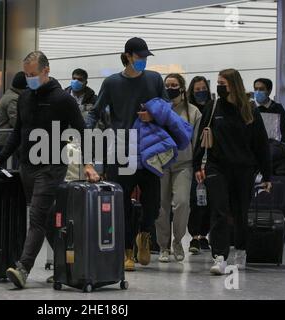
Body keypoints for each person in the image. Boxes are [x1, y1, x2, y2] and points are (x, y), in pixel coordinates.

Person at [0, 51, 99, 289]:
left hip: (51, 167)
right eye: (26, 75)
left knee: (36, 218)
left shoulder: (63, 100)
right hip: (27, 166)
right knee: (47, 221)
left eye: (33, 74)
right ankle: (68, 265)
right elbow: (18, 132)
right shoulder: (25, 97)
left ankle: (23, 268)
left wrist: (88, 163)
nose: (29, 79)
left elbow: (83, 131)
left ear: (46, 70)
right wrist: (0, 158)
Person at [86, 37, 168, 271]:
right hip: (121, 149)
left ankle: (144, 235)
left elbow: (166, 106)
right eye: (139, 56)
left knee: (153, 203)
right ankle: (126, 250)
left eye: (145, 57)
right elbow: (96, 111)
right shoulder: (112, 83)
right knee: (121, 204)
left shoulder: (154, 79)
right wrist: (85, 130)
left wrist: (153, 115)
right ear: (128, 56)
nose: (142, 60)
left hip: (150, 148)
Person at [193, 68, 272, 275]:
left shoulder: (250, 110)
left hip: (244, 169)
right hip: (216, 167)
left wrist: (267, 175)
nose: (219, 87)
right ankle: (219, 256)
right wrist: (196, 166)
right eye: (218, 83)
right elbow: (202, 137)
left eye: (223, 83)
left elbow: (261, 145)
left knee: (240, 213)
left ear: (233, 85)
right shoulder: (213, 107)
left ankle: (241, 250)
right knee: (219, 210)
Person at [156, 74, 202, 263]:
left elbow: (197, 141)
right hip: (160, 164)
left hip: (183, 164)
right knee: (161, 206)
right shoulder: (157, 110)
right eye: (167, 85)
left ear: (182, 88)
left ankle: (178, 240)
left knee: (182, 203)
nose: (171, 88)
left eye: (174, 85)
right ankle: (163, 247)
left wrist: (199, 164)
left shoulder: (193, 112)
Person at [186, 76, 214, 253]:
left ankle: (204, 235)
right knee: (195, 199)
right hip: (192, 160)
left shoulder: (213, 109)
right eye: (197, 89)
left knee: (209, 200)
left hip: (211, 161)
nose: (200, 92)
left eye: (203, 88)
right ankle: (195, 236)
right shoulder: (189, 111)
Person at [0, 71, 28, 158]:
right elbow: (16, 121)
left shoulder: (9, 93)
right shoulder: (14, 99)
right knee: (7, 168)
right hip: (3, 138)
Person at [254, 78, 285, 145]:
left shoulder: (277, 108)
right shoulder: (250, 108)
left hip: (274, 148)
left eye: (261, 89)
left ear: (269, 91)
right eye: (256, 89)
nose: (258, 92)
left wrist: (280, 145)